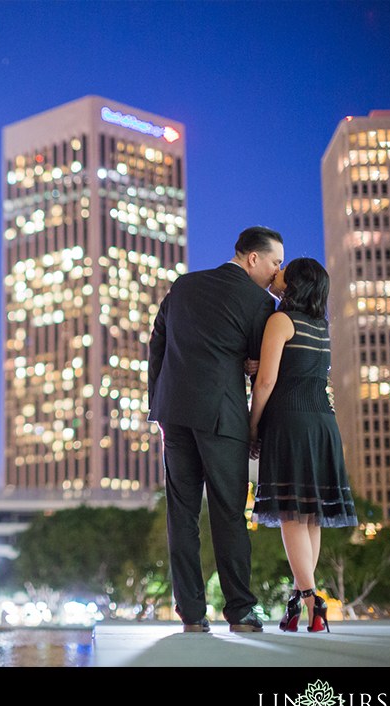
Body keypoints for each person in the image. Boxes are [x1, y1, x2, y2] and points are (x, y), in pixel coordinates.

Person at [148, 225, 284, 632]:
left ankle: (191, 614)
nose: (278, 272)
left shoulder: (183, 286)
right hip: (223, 417)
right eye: (275, 262)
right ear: (253, 258)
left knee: (181, 515)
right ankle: (240, 610)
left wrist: (158, 406)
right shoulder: (260, 302)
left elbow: (157, 343)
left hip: (174, 414)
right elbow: (262, 365)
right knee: (228, 514)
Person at [249, 257, 357, 633]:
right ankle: (300, 601)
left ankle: (312, 600)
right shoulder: (321, 327)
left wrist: (252, 426)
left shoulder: (281, 321)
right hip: (322, 424)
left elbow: (266, 382)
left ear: (293, 284)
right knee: (310, 514)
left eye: (283, 272)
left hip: (290, 423)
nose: (276, 275)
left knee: (291, 513)